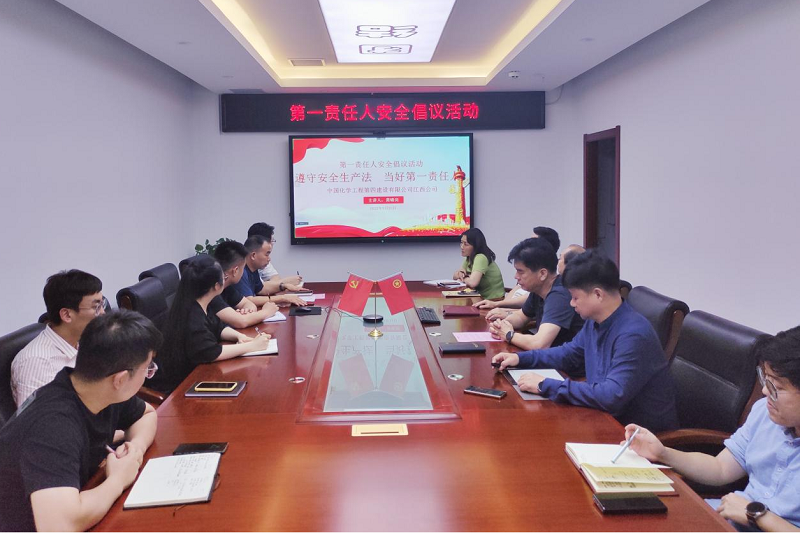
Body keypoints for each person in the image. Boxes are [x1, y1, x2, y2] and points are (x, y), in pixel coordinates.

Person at [623, 326, 800, 531]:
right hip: (728, 518)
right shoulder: (765, 412)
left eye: (777, 387)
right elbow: (720, 468)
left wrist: (756, 514)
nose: (764, 391)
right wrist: (663, 453)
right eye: (765, 379)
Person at [0, 310, 160, 532]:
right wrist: (117, 480)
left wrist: (135, 449)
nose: (149, 374)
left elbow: (147, 414)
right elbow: (59, 525)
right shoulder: (53, 425)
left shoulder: (95, 387)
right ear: (120, 379)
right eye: (148, 368)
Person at [492, 249, 678, 432]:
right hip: (601, 419)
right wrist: (520, 359)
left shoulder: (633, 335)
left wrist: (544, 385)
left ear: (598, 294)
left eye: (575, 297)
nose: (571, 303)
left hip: (634, 436)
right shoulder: (595, 320)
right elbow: (569, 353)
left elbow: (611, 396)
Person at [150, 254, 271, 394]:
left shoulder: (198, 303)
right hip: (180, 387)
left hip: (194, 373)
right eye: (223, 277)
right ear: (217, 286)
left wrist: (239, 337)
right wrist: (251, 346)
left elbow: (218, 326)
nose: (225, 278)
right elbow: (211, 353)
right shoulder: (192, 316)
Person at [11, 269, 105, 406]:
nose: (103, 313)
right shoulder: (36, 362)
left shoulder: (86, 342)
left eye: (102, 304)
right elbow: (36, 418)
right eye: (96, 307)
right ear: (66, 315)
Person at [488, 238, 583, 350]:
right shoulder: (539, 289)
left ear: (542, 274)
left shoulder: (560, 295)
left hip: (566, 360)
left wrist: (509, 335)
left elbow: (540, 344)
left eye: (520, 271)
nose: (516, 276)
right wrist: (501, 325)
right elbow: (521, 317)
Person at [475, 226, 561, 312]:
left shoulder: (555, 292)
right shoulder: (534, 289)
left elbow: (528, 314)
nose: (516, 276)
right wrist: (498, 306)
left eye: (533, 242)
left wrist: (504, 311)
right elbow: (523, 314)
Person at [209, 240, 280, 328]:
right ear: (235, 271)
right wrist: (266, 312)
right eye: (243, 268)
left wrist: (246, 312)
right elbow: (241, 322)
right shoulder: (211, 291)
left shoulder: (227, 287)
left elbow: (248, 304)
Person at [234, 235, 308, 307]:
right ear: (253, 255)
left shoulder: (253, 269)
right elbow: (248, 300)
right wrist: (282, 298)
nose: (269, 259)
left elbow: (261, 289)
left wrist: (283, 286)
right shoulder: (241, 271)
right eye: (267, 254)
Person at [247, 222, 303, 293]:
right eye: (271, 240)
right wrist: (286, 282)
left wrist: (278, 286)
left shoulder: (262, 260)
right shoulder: (244, 265)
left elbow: (275, 278)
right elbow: (261, 289)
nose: (272, 244)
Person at [453, 228, 505, 300]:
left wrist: (463, 277)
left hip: (493, 300)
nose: (462, 247)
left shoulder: (481, 257)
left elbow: (473, 283)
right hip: (478, 298)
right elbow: (455, 276)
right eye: (461, 243)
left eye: (466, 244)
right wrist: (461, 274)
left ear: (475, 246)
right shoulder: (469, 257)